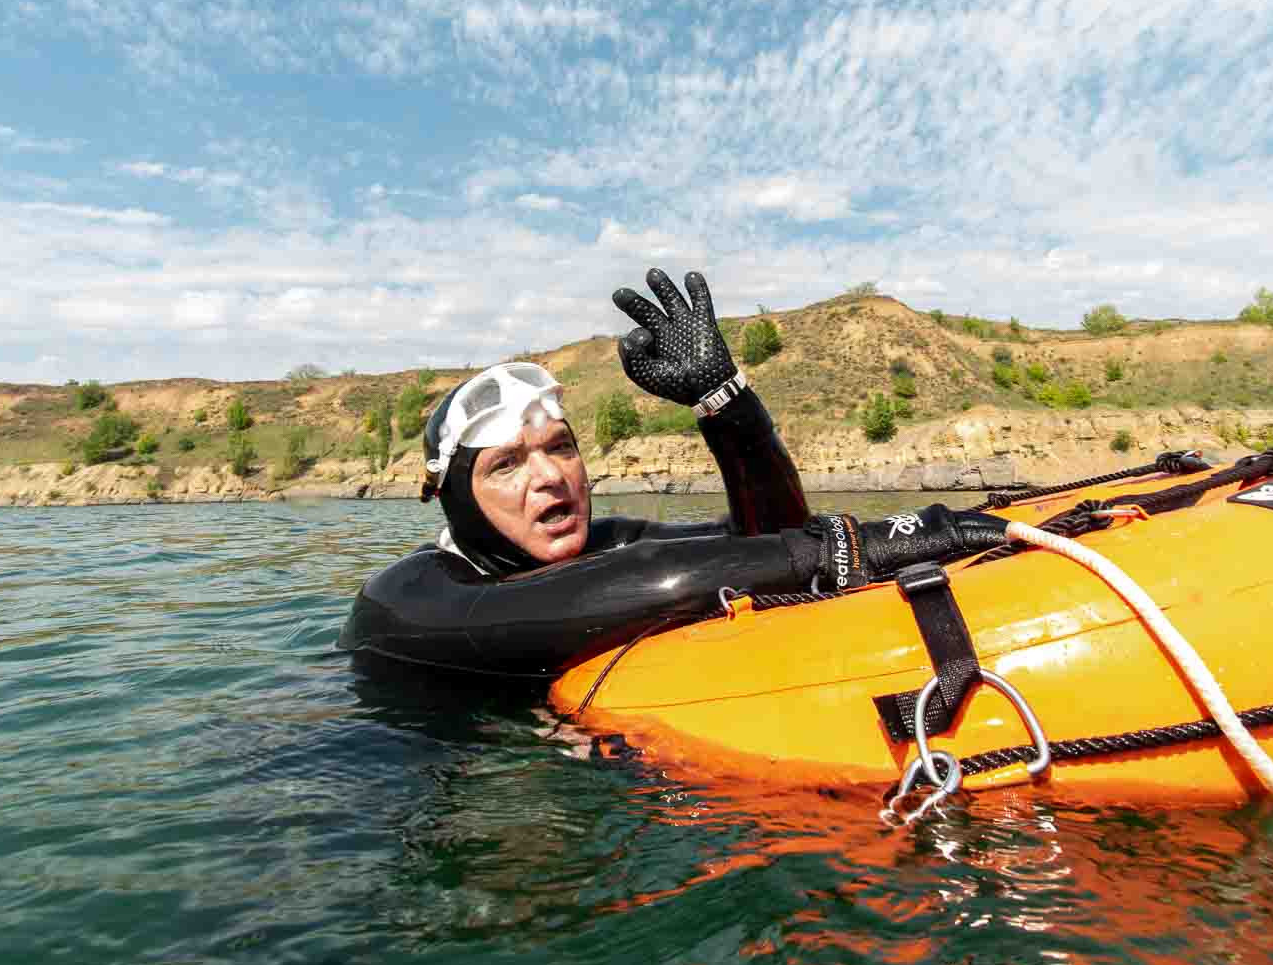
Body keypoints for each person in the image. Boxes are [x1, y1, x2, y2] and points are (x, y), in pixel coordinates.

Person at [337, 268, 1008, 684]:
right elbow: (520, 617)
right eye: (506, 464)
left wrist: (728, 402)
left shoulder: (612, 545)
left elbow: (766, 539)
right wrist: (841, 549)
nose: (549, 477)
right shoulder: (406, 596)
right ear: (454, 498)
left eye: (560, 447)